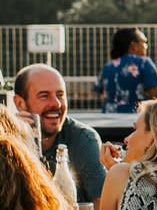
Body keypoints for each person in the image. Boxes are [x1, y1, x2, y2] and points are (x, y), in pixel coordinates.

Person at [12, 65, 106, 202]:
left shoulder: (83, 139)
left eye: (60, 95)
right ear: (20, 103)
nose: (56, 103)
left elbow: (101, 206)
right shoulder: (7, 141)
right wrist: (18, 141)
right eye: (44, 96)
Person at [96, 27, 157, 112]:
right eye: (144, 42)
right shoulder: (144, 63)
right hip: (135, 118)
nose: (146, 46)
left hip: (107, 118)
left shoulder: (108, 66)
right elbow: (155, 96)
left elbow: (100, 91)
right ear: (133, 45)